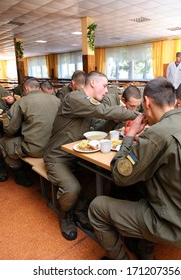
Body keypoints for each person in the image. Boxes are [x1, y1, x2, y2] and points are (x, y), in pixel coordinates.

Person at [88, 77, 181, 260]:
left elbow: (119, 174)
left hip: (178, 228)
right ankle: (143, 248)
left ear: (147, 102)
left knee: (97, 208)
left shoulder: (156, 135)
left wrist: (131, 135)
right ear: (174, 102)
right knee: (135, 188)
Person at [44, 71, 139, 241]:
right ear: (93, 83)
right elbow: (103, 111)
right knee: (72, 188)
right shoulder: (74, 98)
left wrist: (115, 120)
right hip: (58, 156)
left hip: (77, 155)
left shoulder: (89, 103)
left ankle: (80, 211)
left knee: (99, 178)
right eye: (104, 86)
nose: (106, 91)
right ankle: (65, 216)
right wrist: (139, 116)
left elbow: (98, 131)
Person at [0, 77, 61, 187]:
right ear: (38, 87)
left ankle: (20, 174)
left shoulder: (21, 102)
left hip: (37, 150)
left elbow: (9, 130)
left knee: (4, 141)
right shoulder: (56, 100)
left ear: (26, 88)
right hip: (56, 146)